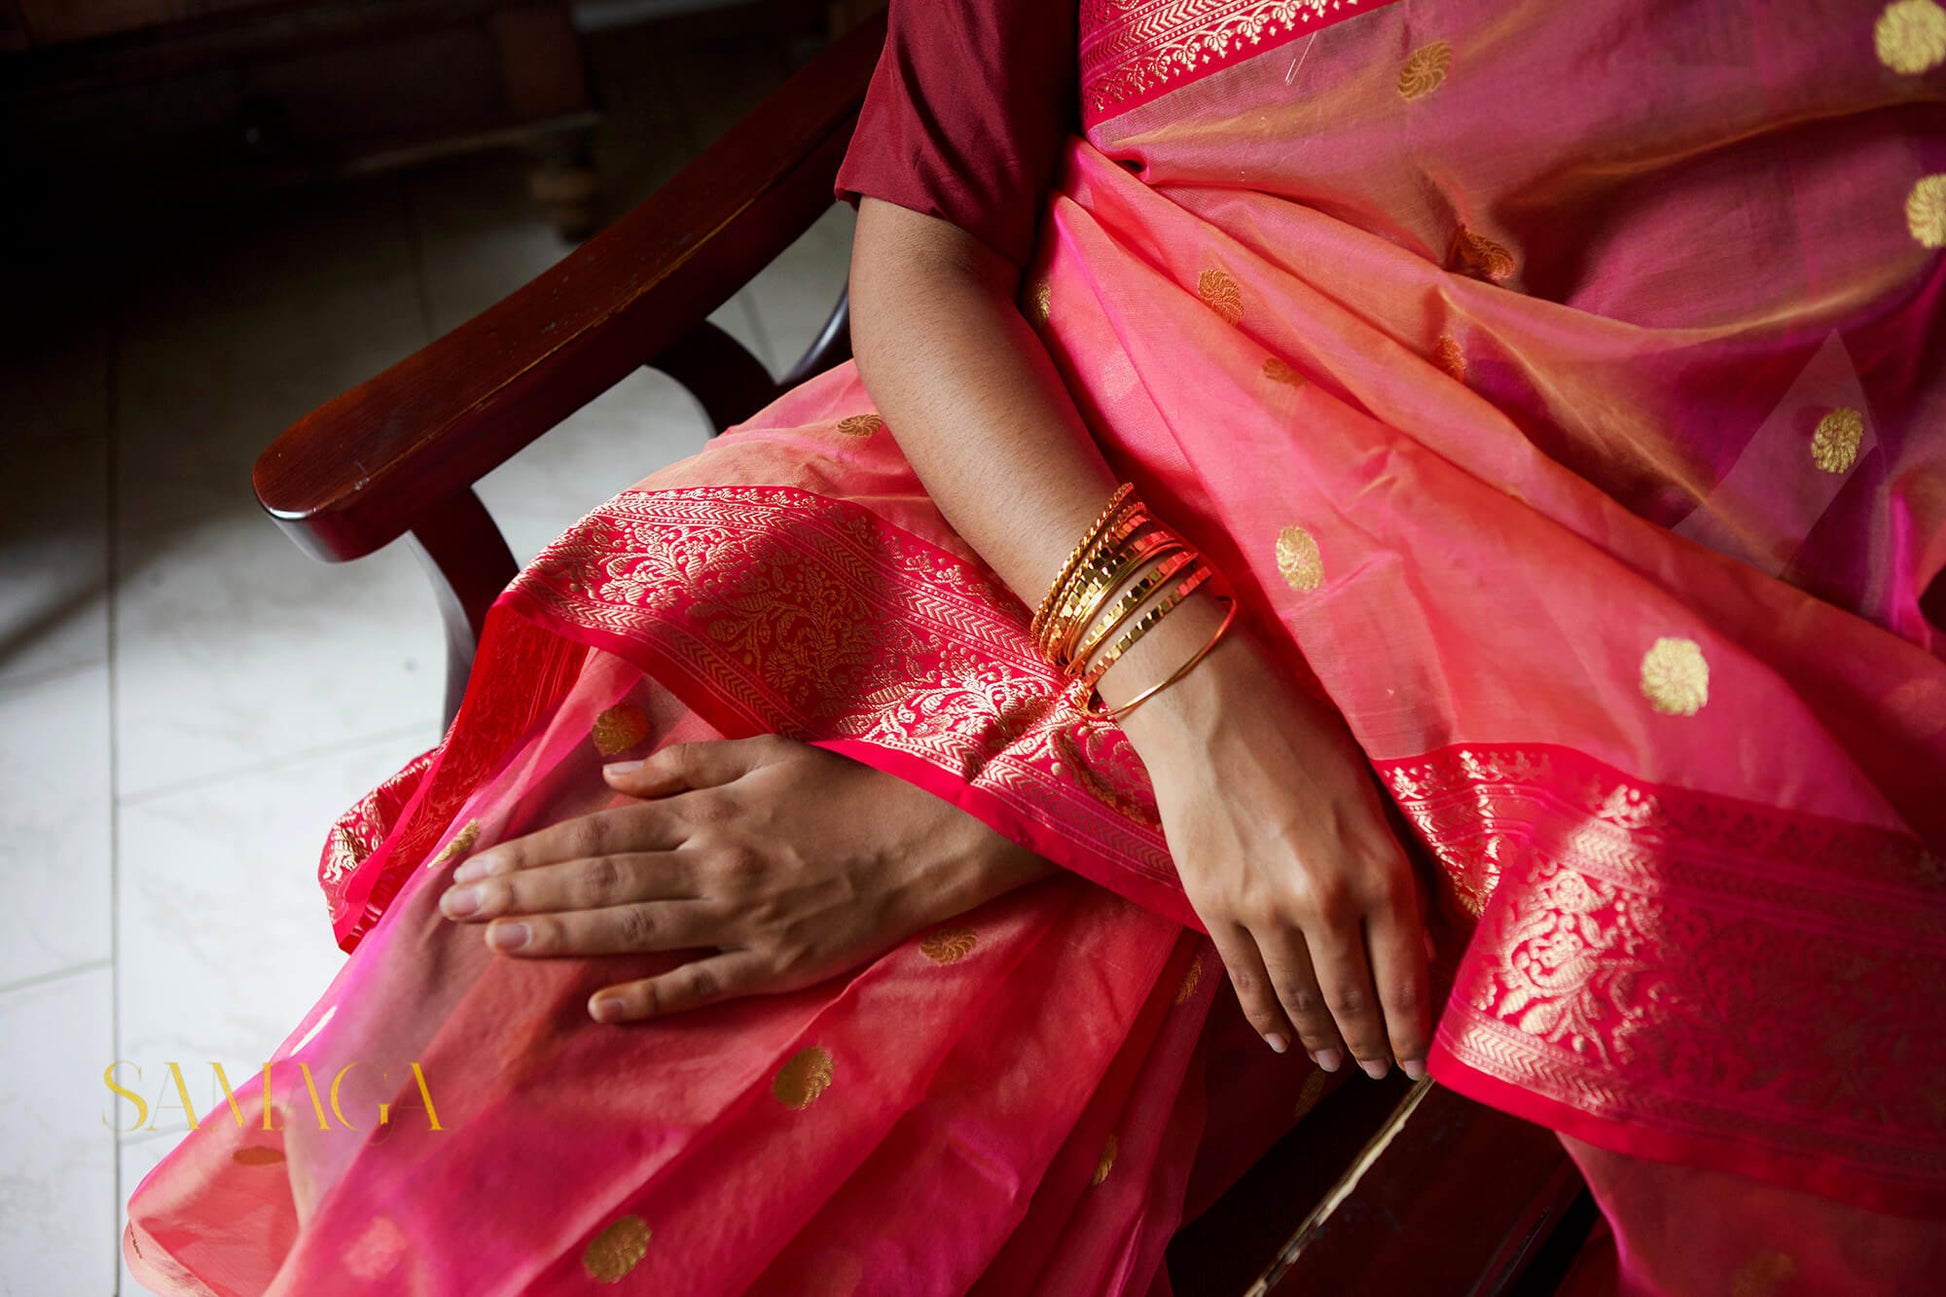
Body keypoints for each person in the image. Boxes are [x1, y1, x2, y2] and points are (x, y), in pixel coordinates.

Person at [125, 1, 1946, 1293]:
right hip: (1012, 474)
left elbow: (1764, 452)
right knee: (493, 1045)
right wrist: (1156, 687)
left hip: (1479, 667)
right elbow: (919, 268)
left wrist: (1005, 804)